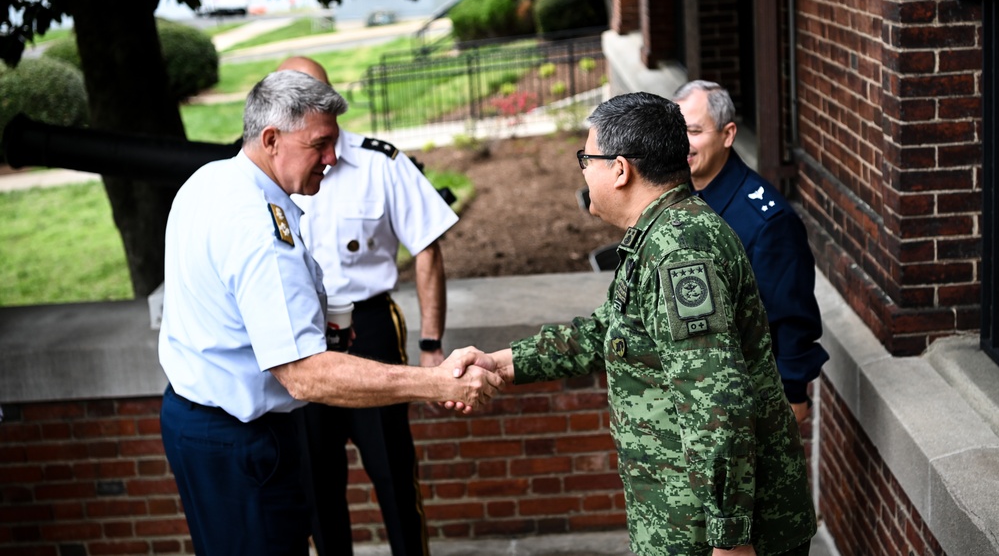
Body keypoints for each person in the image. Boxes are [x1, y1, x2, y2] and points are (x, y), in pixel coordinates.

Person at [157, 69, 504, 556]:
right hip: (243, 441)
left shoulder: (209, 181)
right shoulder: (261, 230)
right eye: (319, 145)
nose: (331, 157)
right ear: (271, 139)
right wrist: (439, 382)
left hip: (194, 421)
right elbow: (303, 375)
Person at [452, 92, 816, 555]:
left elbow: (716, 404)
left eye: (587, 157)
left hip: (709, 538)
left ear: (620, 169)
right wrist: (500, 363)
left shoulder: (679, 253)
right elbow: (606, 331)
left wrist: (730, 540)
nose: (584, 169)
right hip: (679, 523)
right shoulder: (658, 234)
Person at [278, 55, 457, 556]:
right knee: (317, 485)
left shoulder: (381, 161)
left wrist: (430, 345)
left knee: (393, 474)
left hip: (371, 327)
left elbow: (427, 247)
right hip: (302, 339)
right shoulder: (266, 171)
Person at [673, 80, 829, 424]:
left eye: (695, 131)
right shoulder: (680, 194)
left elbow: (791, 316)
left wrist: (793, 393)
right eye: (677, 130)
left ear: (728, 134)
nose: (683, 142)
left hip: (748, 400)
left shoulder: (767, 222)